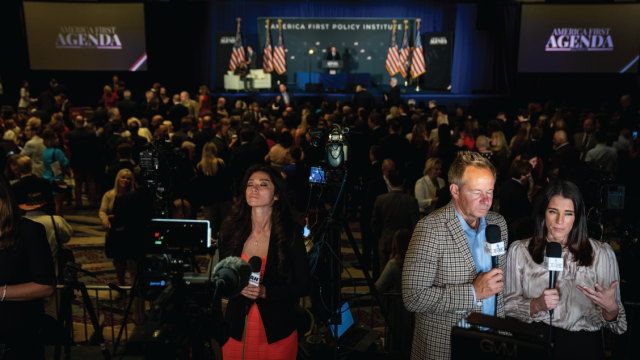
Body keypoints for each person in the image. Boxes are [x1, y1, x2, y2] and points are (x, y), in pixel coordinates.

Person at [403, 152, 508, 360]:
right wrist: (473, 293)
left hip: (492, 342)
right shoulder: (430, 228)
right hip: (446, 345)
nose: (486, 200)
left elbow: (498, 289)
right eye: (477, 192)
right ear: (455, 190)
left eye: (490, 191)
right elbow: (413, 297)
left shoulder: (499, 225)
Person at [504, 180, 626, 359]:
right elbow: (506, 306)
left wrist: (611, 310)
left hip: (582, 346)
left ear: (577, 217)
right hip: (533, 342)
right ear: (543, 212)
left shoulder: (601, 254)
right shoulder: (519, 251)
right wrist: (536, 304)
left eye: (568, 214)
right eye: (553, 211)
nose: (560, 221)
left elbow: (620, 325)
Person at [221, 165, 310, 360]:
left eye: (263, 185)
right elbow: (221, 279)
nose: (254, 189)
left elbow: (303, 285)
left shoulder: (290, 233)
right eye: (250, 184)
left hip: (278, 332)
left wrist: (266, 292)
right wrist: (235, 286)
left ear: (276, 195)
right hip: (236, 331)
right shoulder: (230, 230)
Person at [0, 176, 55, 360]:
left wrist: (1, 292)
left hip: (18, 339)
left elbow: (45, 286)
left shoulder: (29, 232)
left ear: (4, 199)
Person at [21, 191, 73, 320]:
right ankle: (52, 333)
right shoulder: (54, 220)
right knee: (54, 308)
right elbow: (67, 237)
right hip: (52, 273)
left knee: (29, 310)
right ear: (44, 206)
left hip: (24, 277)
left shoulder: (17, 224)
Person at [375, 229, 415, 359]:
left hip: (400, 308)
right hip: (418, 307)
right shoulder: (419, 262)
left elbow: (378, 288)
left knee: (398, 343)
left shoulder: (394, 264)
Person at [372, 172, 419, 271]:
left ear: (389, 182)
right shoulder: (411, 201)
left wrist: (380, 237)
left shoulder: (380, 199)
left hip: (385, 242)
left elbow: (374, 223)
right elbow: (415, 226)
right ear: (404, 181)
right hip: (405, 244)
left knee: (385, 276)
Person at [100, 168, 135, 287]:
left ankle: (133, 286)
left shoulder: (133, 195)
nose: (125, 180)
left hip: (129, 232)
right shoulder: (109, 194)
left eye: (128, 178)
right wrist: (105, 220)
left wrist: (117, 216)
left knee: (130, 261)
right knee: (118, 261)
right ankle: (121, 285)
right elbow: (103, 211)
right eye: (123, 177)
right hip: (114, 232)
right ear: (118, 179)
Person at [196, 142, 233, 240]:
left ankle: (212, 246)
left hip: (209, 200)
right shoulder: (220, 163)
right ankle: (226, 244)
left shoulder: (200, 166)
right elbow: (228, 180)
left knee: (211, 226)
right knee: (226, 223)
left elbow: (200, 185)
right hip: (224, 197)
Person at [499, 159, 533, 242]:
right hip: (515, 226)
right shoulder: (519, 190)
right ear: (521, 176)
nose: (530, 175)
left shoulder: (504, 184)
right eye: (528, 173)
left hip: (503, 222)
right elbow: (528, 210)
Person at [42, 130, 69, 216]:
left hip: (47, 178)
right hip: (58, 179)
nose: (58, 139)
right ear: (50, 139)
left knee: (52, 203)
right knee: (59, 204)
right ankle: (59, 222)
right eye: (55, 138)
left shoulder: (45, 151)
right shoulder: (57, 151)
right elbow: (65, 162)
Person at [281, 146, 308, 213]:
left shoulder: (287, 169)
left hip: (290, 197)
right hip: (302, 196)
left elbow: (280, 182)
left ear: (290, 155)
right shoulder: (304, 166)